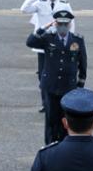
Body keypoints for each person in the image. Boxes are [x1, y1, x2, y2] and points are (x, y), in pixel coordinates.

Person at [26, 10, 87, 144]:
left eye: (65, 24)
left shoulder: (77, 40)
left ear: (70, 24)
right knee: (51, 120)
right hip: (51, 85)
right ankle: (50, 147)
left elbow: (83, 63)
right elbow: (30, 42)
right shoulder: (48, 38)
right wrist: (44, 28)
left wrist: (80, 85)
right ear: (55, 24)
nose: (62, 27)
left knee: (67, 120)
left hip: (69, 87)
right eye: (59, 24)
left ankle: (64, 148)